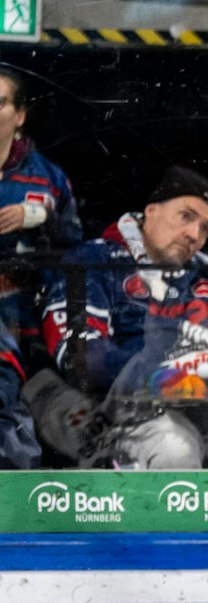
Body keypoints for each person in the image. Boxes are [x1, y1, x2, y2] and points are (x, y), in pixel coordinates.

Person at [25, 167, 208, 469]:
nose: (194, 235)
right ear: (151, 211)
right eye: (186, 216)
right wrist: (164, 376)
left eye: (205, 229)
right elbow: (82, 359)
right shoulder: (95, 260)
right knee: (176, 449)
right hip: (116, 407)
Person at [0, 65, 80, 469]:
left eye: (0, 103)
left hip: (28, 321)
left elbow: (75, 243)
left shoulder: (48, 177)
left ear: (19, 115)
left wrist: (39, 216)